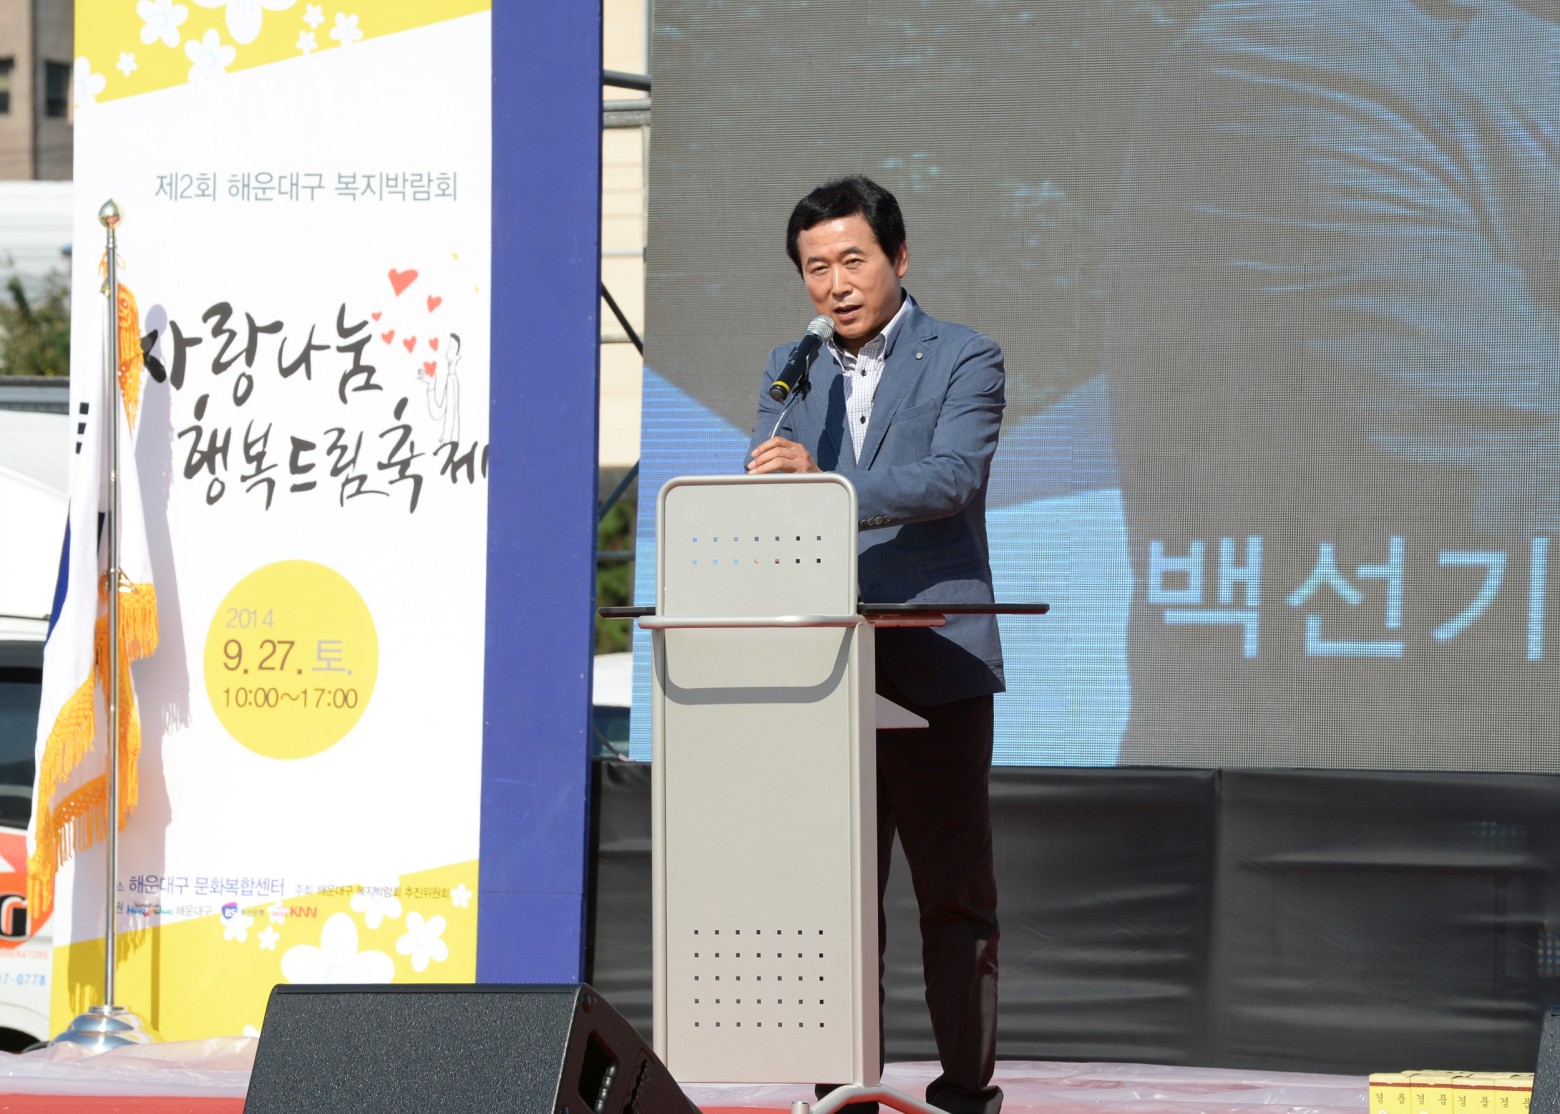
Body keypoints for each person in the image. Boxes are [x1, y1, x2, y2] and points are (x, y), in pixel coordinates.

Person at [747, 176, 1006, 1114]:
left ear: (898, 257)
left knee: (953, 896)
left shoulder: (965, 355)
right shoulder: (792, 367)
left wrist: (824, 484)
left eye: (852, 260)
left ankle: (965, 1094)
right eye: (816, 268)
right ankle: (842, 1091)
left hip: (935, 660)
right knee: (835, 903)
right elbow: (768, 485)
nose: (835, 284)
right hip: (825, 671)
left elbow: (951, 477)